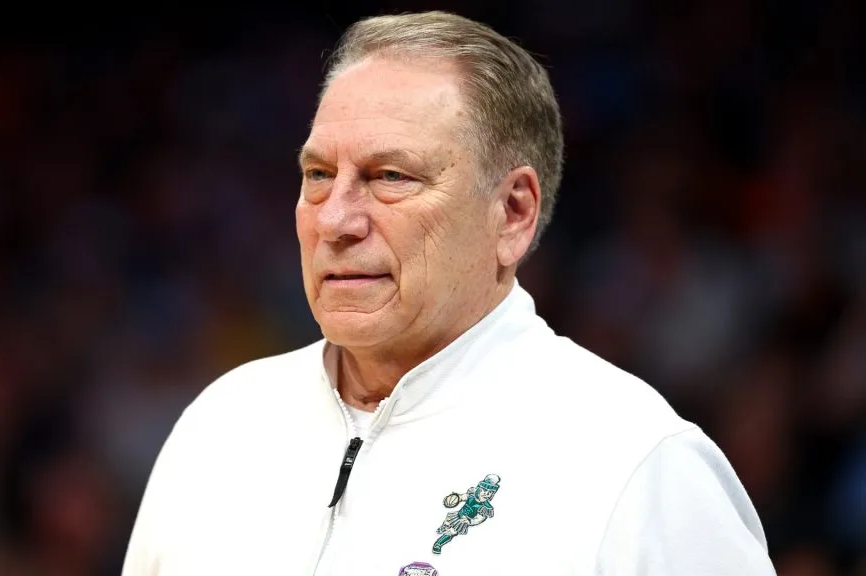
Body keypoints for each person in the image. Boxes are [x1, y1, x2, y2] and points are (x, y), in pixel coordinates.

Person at [122, 10, 776, 575]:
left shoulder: (636, 465)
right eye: (318, 174)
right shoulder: (220, 427)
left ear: (513, 213)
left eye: (391, 176)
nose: (334, 219)